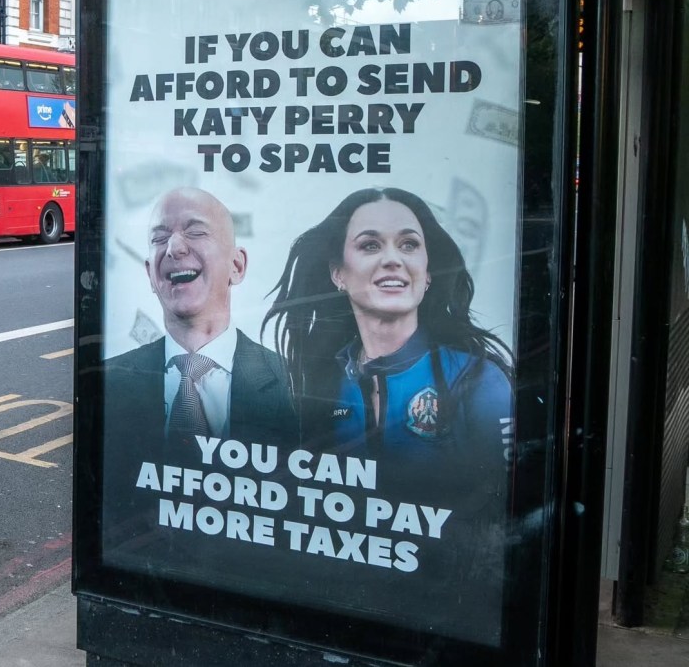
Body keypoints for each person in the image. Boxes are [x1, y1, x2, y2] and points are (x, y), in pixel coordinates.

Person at [264, 187, 513, 645]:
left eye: (409, 244)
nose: (393, 259)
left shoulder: (478, 379)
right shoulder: (318, 381)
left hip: (444, 621)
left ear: (428, 272)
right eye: (370, 245)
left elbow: (506, 521)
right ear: (338, 273)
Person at [102, 187, 296, 561]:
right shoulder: (109, 381)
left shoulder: (293, 381)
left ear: (237, 266)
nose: (174, 247)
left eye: (195, 231)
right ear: (149, 273)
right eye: (160, 238)